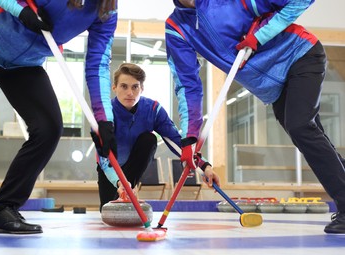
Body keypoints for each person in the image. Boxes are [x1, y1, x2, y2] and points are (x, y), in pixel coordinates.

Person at [165, 0, 345, 234]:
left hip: (298, 55)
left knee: (300, 127)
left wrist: (261, 35)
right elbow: (188, 86)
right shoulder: (176, 28)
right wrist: (189, 139)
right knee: (308, 135)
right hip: (274, 86)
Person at [0, 0, 118, 234]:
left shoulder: (106, 9)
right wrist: (20, 12)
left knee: (48, 128)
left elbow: (97, 64)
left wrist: (104, 120)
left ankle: (2, 208)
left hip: (23, 64)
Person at [91, 63, 220, 211]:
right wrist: (119, 182)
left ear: (142, 88)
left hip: (134, 165)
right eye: (124, 86)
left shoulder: (153, 109)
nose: (130, 93)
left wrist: (205, 167)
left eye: (135, 87)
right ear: (114, 88)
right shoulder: (104, 115)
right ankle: (123, 190)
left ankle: (128, 190)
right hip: (110, 168)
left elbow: (178, 144)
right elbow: (103, 157)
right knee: (107, 212)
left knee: (149, 139)